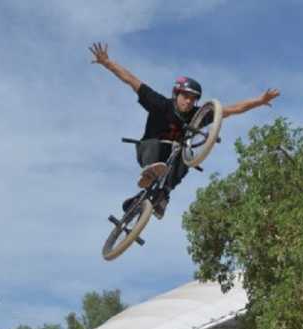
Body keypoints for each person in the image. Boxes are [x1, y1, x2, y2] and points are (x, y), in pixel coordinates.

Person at [89, 42, 280, 218]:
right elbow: (132, 81)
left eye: (192, 99)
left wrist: (259, 101)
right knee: (158, 143)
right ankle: (149, 173)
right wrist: (107, 63)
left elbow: (231, 109)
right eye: (185, 96)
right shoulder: (160, 104)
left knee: (186, 157)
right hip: (149, 150)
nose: (188, 102)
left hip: (171, 159)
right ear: (176, 94)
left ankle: (161, 196)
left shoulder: (197, 116)